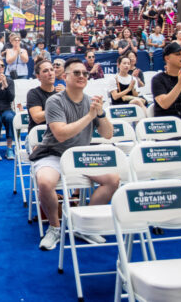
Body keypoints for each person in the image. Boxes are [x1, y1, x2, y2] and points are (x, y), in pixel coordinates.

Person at [30, 58, 115, 250]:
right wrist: (90, 116)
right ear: (65, 77)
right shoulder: (55, 101)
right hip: (53, 153)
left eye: (85, 73)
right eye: (77, 73)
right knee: (44, 182)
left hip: (80, 156)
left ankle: (86, 225)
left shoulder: (91, 101)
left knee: (113, 179)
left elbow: (108, 134)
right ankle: (54, 227)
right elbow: (60, 135)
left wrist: (100, 114)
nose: (82, 76)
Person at [26, 59, 56, 134]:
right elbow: (37, 118)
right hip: (39, 137)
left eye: (52, 70)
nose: (50, 73)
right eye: (45, 71)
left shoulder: (62, 93)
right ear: (38, 76)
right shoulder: (34, 93)